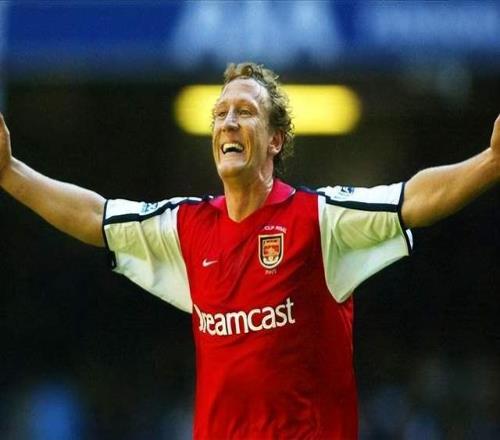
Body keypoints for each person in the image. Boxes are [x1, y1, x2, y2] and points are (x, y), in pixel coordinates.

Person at [0, 62, 498, 439]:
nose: (228, 123)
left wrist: (490, 162)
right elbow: (96, 216)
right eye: (220, 114)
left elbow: (411, 199)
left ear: (275, 139)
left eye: (245, 112)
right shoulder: (186, 227)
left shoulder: (319, 220)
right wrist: (10, 173)